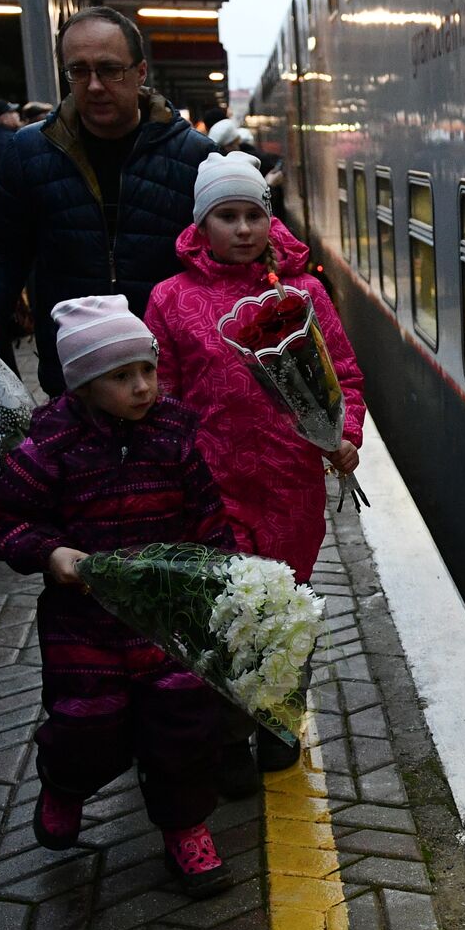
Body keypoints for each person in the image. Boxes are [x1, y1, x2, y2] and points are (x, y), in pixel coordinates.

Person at [0, 294, 235, 898]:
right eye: (122, 376)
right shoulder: (50, 447)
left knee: (181, 730)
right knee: (85, 727)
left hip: (166, 618)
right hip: (83, 623)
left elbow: (206, 513)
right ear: (84, 384)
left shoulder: (175, 433)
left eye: (147, 370)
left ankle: (186, 829)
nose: (144, 386)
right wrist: (50, 554)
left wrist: (225, 574)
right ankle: (65, 786)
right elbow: (5, 520)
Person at [144, 151, 365, 789]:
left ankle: (276, 718)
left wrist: (343, 439)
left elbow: (342, 376)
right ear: (201, 225)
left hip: (291, 485)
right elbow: (164, 394)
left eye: (252, 215)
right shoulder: (171, 299)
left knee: (285, 607)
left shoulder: (305, 294)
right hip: (212, 486)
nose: (242, 228)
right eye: (226, 215)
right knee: (230, 608)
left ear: (269, 221)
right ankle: (232, 727)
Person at [0, 5, 214, 395]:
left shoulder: (194, 156)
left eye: (110, 69)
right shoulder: (30, 152)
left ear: (140, 72)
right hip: (75, 376)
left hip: (170, 375)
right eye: (78, 71)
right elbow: (1, 250)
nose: (94, 85)